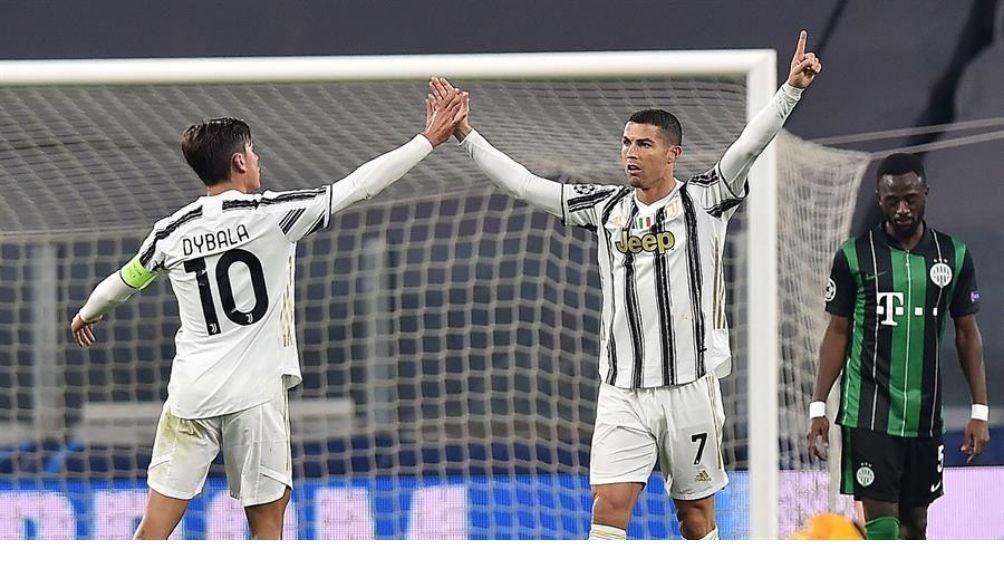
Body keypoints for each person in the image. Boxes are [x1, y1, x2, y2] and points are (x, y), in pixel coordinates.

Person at [429, 31, 821, 540]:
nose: (630, 153)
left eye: (643, 144)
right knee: (609, 509)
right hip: (622, 391)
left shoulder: (705, 200)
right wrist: (467, 136)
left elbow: (749, 144)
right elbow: (525, 185)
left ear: (672, 153)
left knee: (695, 518)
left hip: (689, 388)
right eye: (626, 143)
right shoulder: (606, 208)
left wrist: (790, 90)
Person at [69, 87, 468, 539]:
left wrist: (87, 313)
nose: (258, 159)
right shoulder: (274, 215)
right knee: (267, 527)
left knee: (154, 529)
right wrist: (428, 140)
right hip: (254, 397)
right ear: (239, 161)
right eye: (253, 151)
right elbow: (360, 185)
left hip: (192, 394)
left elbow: (125, 281)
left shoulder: (170, 232)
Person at [806, 152, 990, 540]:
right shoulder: (855, 255)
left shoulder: (953, 255)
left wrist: (979, 410)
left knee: (915, 524)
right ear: (880, 200)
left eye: (910, 199)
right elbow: (837, 332)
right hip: (868, 412)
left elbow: (967, 333)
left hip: (925, 415)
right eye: (892, 201)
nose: (902, 209)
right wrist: (819, 406)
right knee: (884, 527)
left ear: (926, 194)